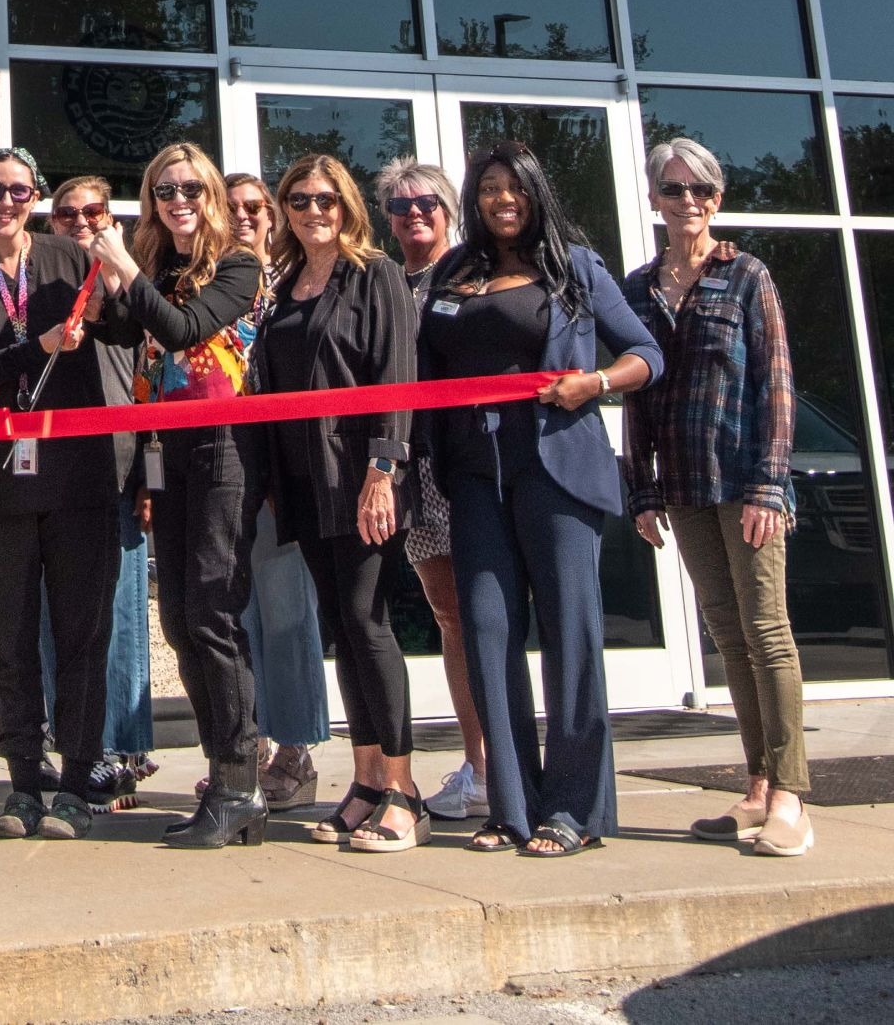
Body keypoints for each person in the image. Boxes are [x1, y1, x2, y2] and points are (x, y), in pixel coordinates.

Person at [419, 141, 661, 857]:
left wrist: (598, 383)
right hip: (472, 474)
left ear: (534, 193)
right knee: (489, 632)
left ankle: (573, 809)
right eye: (488, 188)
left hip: (555, 469)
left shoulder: (575, 268)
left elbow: (647, 352)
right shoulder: (455, 272)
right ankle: (513, 807)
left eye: (513, 187)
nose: (501, 199)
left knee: (570, 633)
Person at [623, 137, 809, 857]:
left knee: (768, 630)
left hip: (745, 479)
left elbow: (778, 383)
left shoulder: (747, 276)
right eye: (675, 190)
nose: (689, 201)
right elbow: (637, 395)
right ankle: (758, 784)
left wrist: (770, 480)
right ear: (655, 200)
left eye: (703, 189)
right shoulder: (640, 289)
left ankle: (792, 795)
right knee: (728, 634)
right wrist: (642, 486)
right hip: (685, 485)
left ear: (717, 199)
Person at [0, 147, 123, 841]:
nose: (6, 201)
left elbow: (122, 323)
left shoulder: (70, 259)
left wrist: (114, 286)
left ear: (37, 195)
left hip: (78, 480)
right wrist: (39, 346)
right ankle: (22, 784)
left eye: (19, 189)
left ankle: (75, 782)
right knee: (8, 640)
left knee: (82, 635)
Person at [87, 145, 265, 848]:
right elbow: (129, 329)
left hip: (224, 443)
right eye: (164, 188)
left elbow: (187, 328)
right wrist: (102, 290)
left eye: (191, 186)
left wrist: (128, 272)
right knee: (182, 618)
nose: (178, 197)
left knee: (214, 610)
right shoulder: (158, 266)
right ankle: (224, 781)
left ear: (212, 193)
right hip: (168, 449)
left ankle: (241, 781)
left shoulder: (238, 263)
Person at [256, 153, 424, 854]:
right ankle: (363, 780)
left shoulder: (374, 274)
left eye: (325, 198)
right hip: (303, 481)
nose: (313, 211)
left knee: (368, 620)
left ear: (346, 204)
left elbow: (395, 374)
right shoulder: (284, 283)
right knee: (341, 629)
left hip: (361, 478)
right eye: (299, 200)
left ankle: (403, 788)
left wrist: (383, 469)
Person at [374, 157, 488, 823]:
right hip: (411, 474)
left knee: (483, 617)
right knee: (449, 616)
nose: (414, 213)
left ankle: (504, 764)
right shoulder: (388, 282)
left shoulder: (474, 274)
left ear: (450, 210)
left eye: (427, 202)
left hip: (466, 465)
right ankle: (478, 764)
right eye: (400, 204)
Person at [44, 174, 156, 796]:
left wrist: (149, 473)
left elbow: (154, 376)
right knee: (63, 624)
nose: (81, 222)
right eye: (66, 214)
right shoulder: (39, 283)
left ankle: (125, 750)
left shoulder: (133, 284)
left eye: (94, 211)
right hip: (57, 475)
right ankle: (77, 750)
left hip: (120, 470)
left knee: (120, 620)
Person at [224, 172, 329, 813]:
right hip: (222, 469)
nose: (241, 217)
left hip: (283, 473)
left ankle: (295, 751)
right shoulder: (209, 283)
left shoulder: (292, 288)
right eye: (229, 207)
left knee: (287, 614)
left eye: (253, 207)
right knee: (234, 616)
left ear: (274, 216)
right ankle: (249, 746)